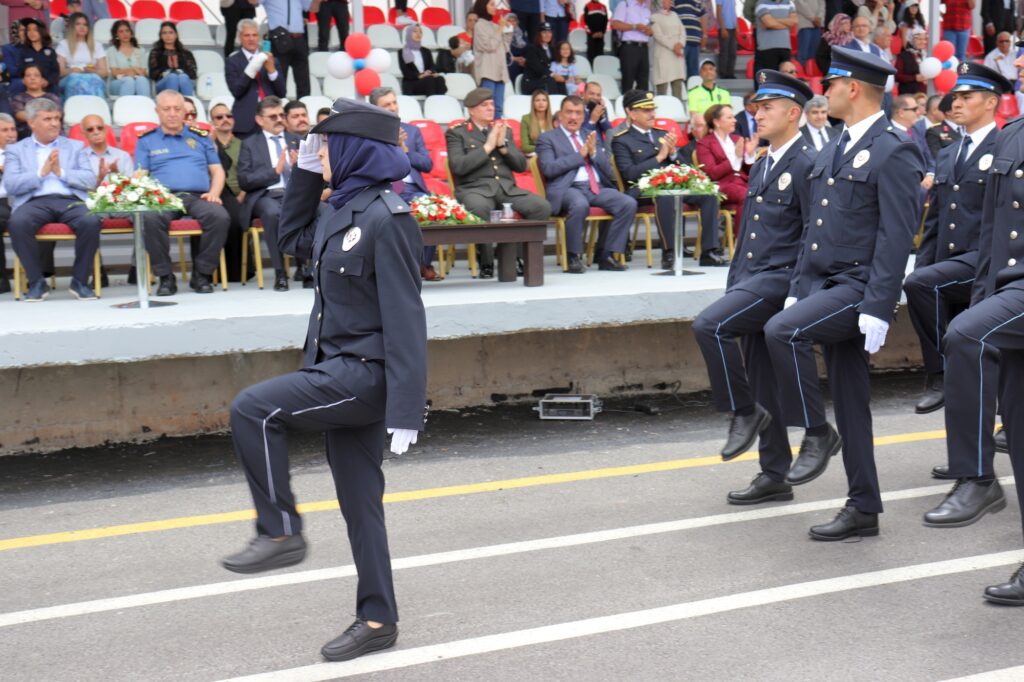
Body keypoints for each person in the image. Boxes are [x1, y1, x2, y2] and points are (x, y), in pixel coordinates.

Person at [223, 98, 427, 661]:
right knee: (361, 505)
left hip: (363, 377)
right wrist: (306, 175)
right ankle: (378, 618)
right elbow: (291, 239)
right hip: (334, 370)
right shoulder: (342, 209)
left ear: (357, 148)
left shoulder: (389, 219)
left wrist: (409, 408)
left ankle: (280, 531)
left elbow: (408, 318)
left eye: (328, 144)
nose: (321, 151)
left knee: (252, 409)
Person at [762, 45, 924, 540]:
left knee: (781, 331)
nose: (824, 92)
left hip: (858, 286)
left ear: (852, 88)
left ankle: (815, 431)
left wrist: (879, 304)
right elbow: (815, 226)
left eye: (830, 84)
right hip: (824, 282)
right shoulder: (833, 144)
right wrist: (798, 287)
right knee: (853, 402)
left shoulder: (895, 149)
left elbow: (897, 236)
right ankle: (863, 506)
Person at [693, 70, 817, 504]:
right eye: (756, 107)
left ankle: (742, 413)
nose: (757, 114)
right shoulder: (765, 159)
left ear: (794, 113)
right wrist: (735, 282)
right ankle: (774, 474)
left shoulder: (807, 162)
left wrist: (799, 291)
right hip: (753, 277)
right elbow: (749, 232)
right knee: (763, 379)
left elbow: (810, 235)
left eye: (767, 108)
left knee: (709, 325)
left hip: (780, 280)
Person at [906, 63, 1010, 526]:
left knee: (963, 349)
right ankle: (966, 459)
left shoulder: (1004, 144)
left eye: (968, 97)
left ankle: (939, 380)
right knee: (969, 366)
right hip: (952, 268)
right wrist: (926, 263)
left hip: (986, 266)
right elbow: (934, 222)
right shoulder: (948, 154)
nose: (957, 104)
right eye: (954, 99)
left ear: (992, 102)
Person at [941, 43, 1024, 606]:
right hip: (1010, 288)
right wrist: (982, 291)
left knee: (965, 334)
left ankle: (975, 476)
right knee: (1021, 437)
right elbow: (994, 227)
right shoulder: (1013, 134)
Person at [612, 89, 726, 268]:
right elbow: (629, 174)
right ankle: (670, 251)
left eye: (652, 109)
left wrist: (673, 154)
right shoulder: (622, 140)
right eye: (646, 110)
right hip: (643, 189)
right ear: (632, 113)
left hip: (673, 183)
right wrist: (659, 157)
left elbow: (685, 166)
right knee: (666, 196)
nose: (652, 114)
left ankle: (709, 251)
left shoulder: (661, 134)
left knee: (709, 195)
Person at [445, 87, 551, 278]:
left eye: (492, 104)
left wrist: (502, 147)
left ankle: (516, 257)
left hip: (506, 189)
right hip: (475, 189)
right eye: (484, 105)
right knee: (479, 208)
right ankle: (486, 261)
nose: (490, 108)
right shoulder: (457, 133)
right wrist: (487, 147)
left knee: (540, 207)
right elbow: (458, 167)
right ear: (471, 110)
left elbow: (521, 165)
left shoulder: (505, 130)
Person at [2, 97, 100, 302]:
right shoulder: (17, 150)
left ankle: (80, 281)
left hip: (70, 200)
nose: (55, 123)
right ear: (31, 123)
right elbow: (11, 184)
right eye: (48, 119)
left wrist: (61, 172)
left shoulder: (75, 146)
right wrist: (41, 173)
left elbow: (90, 179)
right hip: (34, 201)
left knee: (91, 220)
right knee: (18, 222)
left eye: (57, 118)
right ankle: (37, 282)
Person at [134, 91, 230, 296]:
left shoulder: (200, 137)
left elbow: (217, 170)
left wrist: (214, 193)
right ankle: (165, 277)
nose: (172, 113)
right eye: (166, 109)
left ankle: (202, 275)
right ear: (157, 112)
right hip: (163, 197)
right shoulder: (146, 140)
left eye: (177, 109)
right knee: (150, 218)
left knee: (219, 216)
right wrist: (150, 196)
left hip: (198, 196)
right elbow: (139, 176)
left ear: (184, 111)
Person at [537, 95, 636, 273]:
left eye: (578, 113)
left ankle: (606, 254)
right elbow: (549, 169)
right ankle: (573, 256)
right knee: (579, 204)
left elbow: (608, 170)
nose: (573, 117)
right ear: (560, 115)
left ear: (584, 116)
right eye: (569, 112)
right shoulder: (547, 138)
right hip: (568, 188)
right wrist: (580, 155)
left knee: (627, 203)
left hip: (595, 187)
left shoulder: (590, 135)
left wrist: (595, 153)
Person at [369, 86, 439, 281]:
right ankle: (401, 268)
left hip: (413, 189)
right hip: (386, 189)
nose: (393, 108)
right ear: (375, 109)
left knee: (431, 209)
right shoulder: (370, 134)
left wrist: (404, 150)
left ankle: (423, 264)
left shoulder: (412, 131)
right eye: (386, 105)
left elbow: (427, 164)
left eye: (394, 103)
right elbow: (373, 166)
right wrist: (392, 147)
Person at [237, 96, 296, 292]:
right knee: (272, 213)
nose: (279, 119)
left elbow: (316, 172)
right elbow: (244, 180)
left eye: (281, 115)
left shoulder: (296, 140)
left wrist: (299, 168)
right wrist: (274, 172)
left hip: (294, 194)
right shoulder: (250, 144)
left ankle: (308, 269)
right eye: (273, 116)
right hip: (265, 196)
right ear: (260, 120)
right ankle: (280, 272)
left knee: (317, 208)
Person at [210, 101, 250, 283]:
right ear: (212, 121)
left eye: (228, 116)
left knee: (236, 219)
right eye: (219, 117)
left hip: (242, 193)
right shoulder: (208, 144)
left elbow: (251, 172)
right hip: (215, 192)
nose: (225, 120)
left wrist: (243, 193)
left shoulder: (244, 145)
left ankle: (238, 272)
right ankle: (213, 272)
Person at [697, 103, 755, 228]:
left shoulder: (736, 139)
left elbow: (749, 171)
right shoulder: (704, 143)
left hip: (742, 183)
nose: (734, 120)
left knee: (765, 193)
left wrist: (750, 155)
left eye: (733, 117)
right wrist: (735, 157)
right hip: (722, 186)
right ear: (717, 122)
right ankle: (740, 242)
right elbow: (712, 173)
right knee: (747, 195)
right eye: (729, 117)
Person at [227, 19, 286, 139]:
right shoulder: (232, 61)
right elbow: (236, 91)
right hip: (246, 121)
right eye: (247, 35)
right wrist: (252, 67)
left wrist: (272, 71)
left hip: (272, 118)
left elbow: (281, 92)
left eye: (254, 35)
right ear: (240, 37)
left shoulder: (271, 59)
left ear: (258, 37)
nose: (251, 39)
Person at [261, 0, 312, 100]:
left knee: (303, 80)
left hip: (299, 38)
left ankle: (303, 108)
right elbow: (253, 2)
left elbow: (314, 8)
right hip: (279, 38)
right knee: (279, 79)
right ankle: (277, 110)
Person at [472, 0, 511, 118]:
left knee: (498, 109)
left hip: (499, 72)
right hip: (487, 73)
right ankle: (488, 135)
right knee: (487, 109)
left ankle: (497, 134)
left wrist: (508, 30)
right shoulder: (479, 25)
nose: (495, 7)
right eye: (492, 4)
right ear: (483, 6)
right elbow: (490, 46)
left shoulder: (495, 25)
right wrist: (500, 28)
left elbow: (505, 47)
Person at [56, 12, 107, 99]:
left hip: (91, 76)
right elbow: (59, 71)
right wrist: (72, 70)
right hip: (70, 77)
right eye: (78, 24)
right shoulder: (64, 44)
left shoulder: (97, 45)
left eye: (85, 24)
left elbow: (104, 72)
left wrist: (93, 71)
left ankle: (95, 109)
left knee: (95, 80)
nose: (82, 27)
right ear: (72, 27)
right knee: (77, 81)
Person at [611, 0, 652, 91]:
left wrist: (650, 31)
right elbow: (615, 24)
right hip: (629, 47)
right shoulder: (625, 4)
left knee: (644, 83)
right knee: (628, 81)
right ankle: (625, 104)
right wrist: (635, 26)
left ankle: (641, 104)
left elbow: (650, 29)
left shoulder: (647, 9)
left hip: (644, 47)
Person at [148, 22, 197, 96]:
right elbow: (152, 74)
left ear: (176, 35)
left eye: (171, 32)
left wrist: (179, 69)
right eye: (164, 33)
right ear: (161, 36)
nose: (168, 35)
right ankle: (173, 103)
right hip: (162, 83)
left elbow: (193, 74)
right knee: (172, 77)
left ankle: (188, 104)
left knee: (183, 77)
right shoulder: (156, 52)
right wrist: (167, 71)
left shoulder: (185, 53)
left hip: (183, 80)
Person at [80, 113, 131, 183]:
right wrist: (99, 178)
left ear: (105, 130)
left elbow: (131, 187)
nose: (96, 132)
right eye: (90, 129)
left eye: (100, 128)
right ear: (84, 134)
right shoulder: (79, 158)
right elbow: (80, 189)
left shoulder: (123, 156)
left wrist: (117, 173)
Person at [10, 64, 59, 138]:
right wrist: (46, 117)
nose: (32, 78)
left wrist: (37, 117)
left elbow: (58, 114)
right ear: (23, 80)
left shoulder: (52, 97)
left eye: (36, 75)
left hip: (51, 131)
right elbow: (20, 115)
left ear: (43, 80)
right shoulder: (18, 98)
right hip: (27, 133)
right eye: (28, 76)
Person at [398, 24, 447, 97]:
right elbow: (406, 72)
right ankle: (431, 103)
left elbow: (432, 66)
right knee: (429, 80)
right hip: (412, 83)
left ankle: (441, 104)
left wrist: (431, 72)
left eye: (420, 32)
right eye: (415, 31)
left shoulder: (426, 51)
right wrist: (420, 76)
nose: (418, 34)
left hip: (426, 79)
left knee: (440, 79)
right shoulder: (403, 52)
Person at [651, 0, 686, 100]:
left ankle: (677, 110)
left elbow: (682, 31)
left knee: (677, 85)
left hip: (677, 54)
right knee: (662, 88)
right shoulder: (654, 16)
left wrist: (680, 44)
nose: (669, 2)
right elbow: (658, 35)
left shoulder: (675, 15)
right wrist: (673, 46)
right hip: (664, 54)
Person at [0, 112, 19, 294]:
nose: (11, 134)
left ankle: (38, 275)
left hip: (25, 199)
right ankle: (1, 279)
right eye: (5, 130)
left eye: (13, 129)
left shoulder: (26, 151)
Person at [105, 20, 149, 97]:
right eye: (121, 31)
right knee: (129, 80)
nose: (125, 34)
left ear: (131, 32)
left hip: (137, 79)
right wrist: (133, 70)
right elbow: (114, 72)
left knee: (142, 80)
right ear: (116, 34)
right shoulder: (112, 50)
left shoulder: (140, 50)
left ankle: (145, 106)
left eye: (127, 30)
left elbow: (143, 72)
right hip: (118, 82)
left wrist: (130, 71)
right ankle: (124, 108)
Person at [755, 0, 797, 72]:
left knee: (786, 79)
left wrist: (773, 21)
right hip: (767, 48)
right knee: (767, 79)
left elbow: (794, 21)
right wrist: (787, 24)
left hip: (785, 47)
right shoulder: (761, 3)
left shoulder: (789, 3)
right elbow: (769, 23)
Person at [673, 0, 706, 79]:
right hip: (680, 41)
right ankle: (680, 91)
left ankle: (693, 90)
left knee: (694, 72)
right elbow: (671, 17)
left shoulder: (699, 1)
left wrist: (704, 35)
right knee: (679, 71)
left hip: (695, 39)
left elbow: (702, 17)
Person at [522, 22, 557, 94]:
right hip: (532, 82)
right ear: (539, 34)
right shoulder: (532, 49)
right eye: (544, 32)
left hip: (546, 80)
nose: (547, 35)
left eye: (549, 32)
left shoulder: (552, 49)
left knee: (561, 83)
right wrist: (553, 74)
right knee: (550, 82)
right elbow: (538, 68)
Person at [926, 93, 962, 160]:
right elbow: (937, 158)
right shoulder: (935, 131)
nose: (961, 110)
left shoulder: (966, 128)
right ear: (948, 112)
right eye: (957, 108)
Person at [894, 27, 927, 96]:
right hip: (908, 95)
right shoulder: (903, 55)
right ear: (911, 39)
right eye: (919, 39)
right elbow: (897, 76)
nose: (923, 42)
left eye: (924, 39)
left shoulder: (926, 55)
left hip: (923, 95)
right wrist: (914, 78)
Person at [520, 89, 554, 154]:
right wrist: (544, 148)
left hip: (551, 154)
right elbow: (525, 147)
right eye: (537, 100)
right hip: (534, 154)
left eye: (544, 100)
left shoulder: (553, 118)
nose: (541, 103)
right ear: (533, 103)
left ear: (548, 103)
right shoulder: (526, 119)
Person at [583, 0, 608, 64]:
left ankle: (599, 71)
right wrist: (592, 33)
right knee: (591, 55)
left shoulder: (603, 7)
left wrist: (602, 32)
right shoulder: (587, 6)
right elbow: (585, 22)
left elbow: (605, 21)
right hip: (591, 36)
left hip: (600, 36)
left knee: (600, 55)